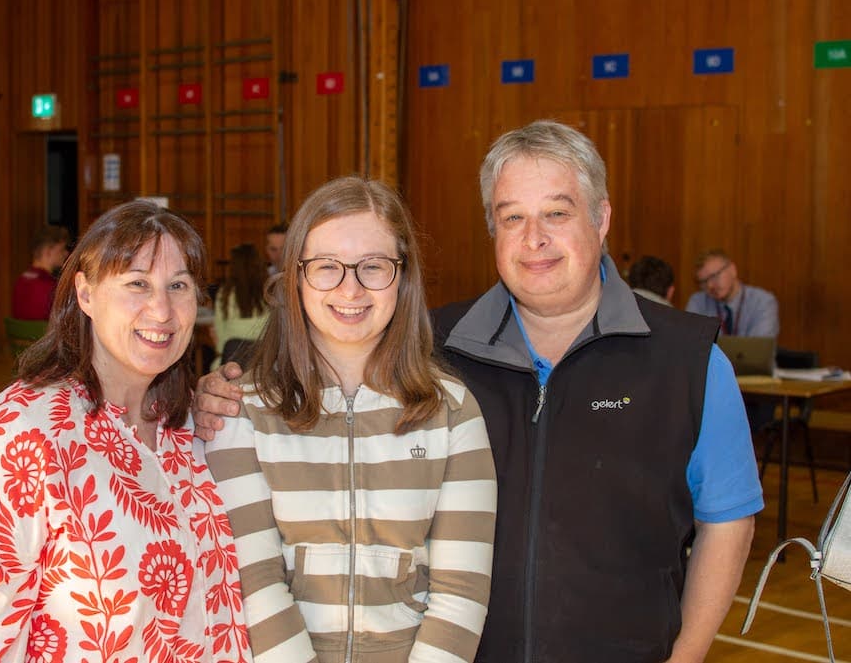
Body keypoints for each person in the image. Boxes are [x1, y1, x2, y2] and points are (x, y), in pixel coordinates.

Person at [195, 122, 763, 663]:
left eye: (557, 213)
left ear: (602, 216)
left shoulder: (686, 360)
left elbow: (728, 522)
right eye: (511, 216)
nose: (534, 238)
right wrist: (217, 393)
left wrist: (684, 657)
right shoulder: (433, 350)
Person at [0, 201, 250, 661]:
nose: (162, 309)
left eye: (179, 286)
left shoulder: (189, 425)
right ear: (86, 293)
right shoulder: (23, 432)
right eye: (137, 283)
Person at [203, 176, 496, 662]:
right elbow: (251, 580)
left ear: (402, 277)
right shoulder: (242, 410)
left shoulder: (452, 410)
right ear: (296, 276)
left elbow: (461, 591)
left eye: (373, 267)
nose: (350, 288)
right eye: (326, 267)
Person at [686, 248, 779, 337]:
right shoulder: (698, 302)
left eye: (714, 276)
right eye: (704, 282)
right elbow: (693, 343)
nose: (710, 286)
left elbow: (759, 347)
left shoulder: (762, 301)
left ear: (733, 270)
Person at [210, 242, 269, 369]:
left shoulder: (224, 294)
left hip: (229, 366)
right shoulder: (270, 292)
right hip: (265, 366)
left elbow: (220, 345)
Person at [11, 224, 70, 320]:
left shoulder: (20, 281)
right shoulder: (52, 287)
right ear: (48, 251)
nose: (66, 253)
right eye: (62, 249)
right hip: (44, 334)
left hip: (22, 335)